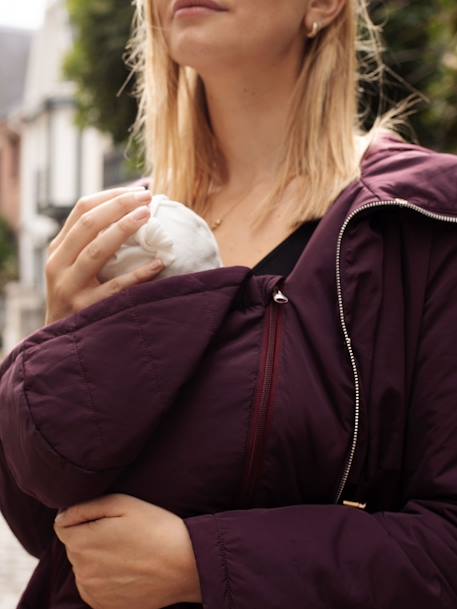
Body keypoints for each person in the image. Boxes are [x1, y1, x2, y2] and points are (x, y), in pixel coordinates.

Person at [1, 1, 457, 609]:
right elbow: (47, 530)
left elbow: (446, 545)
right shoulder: (122, 234)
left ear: (323, 5)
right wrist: (61, 347)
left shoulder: (423, 218)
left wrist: (203, 563)